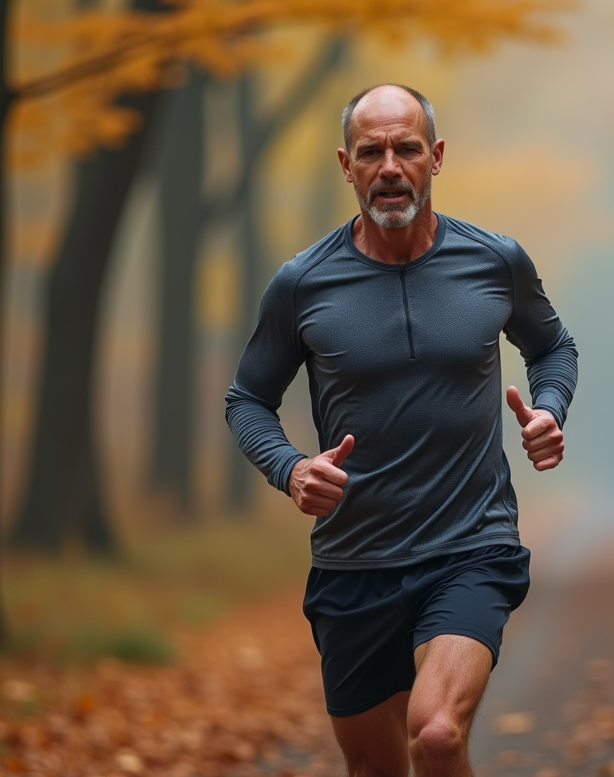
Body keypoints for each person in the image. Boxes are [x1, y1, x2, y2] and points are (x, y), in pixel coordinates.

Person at [225, 83, 578, 777]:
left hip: (469, 548)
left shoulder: (495, 260)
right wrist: (290, 469)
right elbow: (247, 399)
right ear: (346, 166)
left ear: (435, 157)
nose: (390, 167)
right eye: (371, 152)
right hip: (354, 565)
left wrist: (549, 409)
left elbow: (552, 347)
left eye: (406, 149)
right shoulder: (302, 283)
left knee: (438, 737)